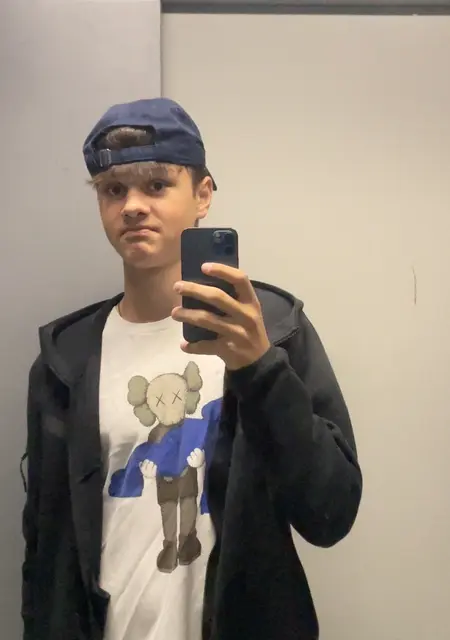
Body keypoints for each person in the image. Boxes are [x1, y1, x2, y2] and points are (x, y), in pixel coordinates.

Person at [21, 98, 362, 640]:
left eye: (157, 185)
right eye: (113, 190)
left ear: (203, 195)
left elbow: (330, 512)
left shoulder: (273, 328)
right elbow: (44, 551)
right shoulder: (65, 360)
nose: (133, 206)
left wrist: (260, 369)